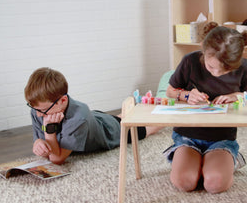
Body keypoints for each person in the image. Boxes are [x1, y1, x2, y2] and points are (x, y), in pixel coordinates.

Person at [164, 25, 247, 194]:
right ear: (203, 50)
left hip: (221, 138)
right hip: (188, 135)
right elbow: (170, 91)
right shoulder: (190, 61)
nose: (216, 73)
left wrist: (238, 95)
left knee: (214, 184)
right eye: (211, 67)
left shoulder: (245, 67)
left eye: (225, 70)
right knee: (184, 182)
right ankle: (194, 162)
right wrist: (186, 95)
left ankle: (218, 162)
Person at [24, 67, 161, 165]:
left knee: (146, 129)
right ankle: (132, 109)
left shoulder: (78, 118)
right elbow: (42, 142)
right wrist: (37, 142)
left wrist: (49, 130)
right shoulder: (39, 109)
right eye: (34, 109)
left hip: (108, 131)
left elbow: (56, 159)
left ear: (63, 101)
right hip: (95, 119)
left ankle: (164, 113)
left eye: (43, 110)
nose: (38, 114)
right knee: (120, 118)